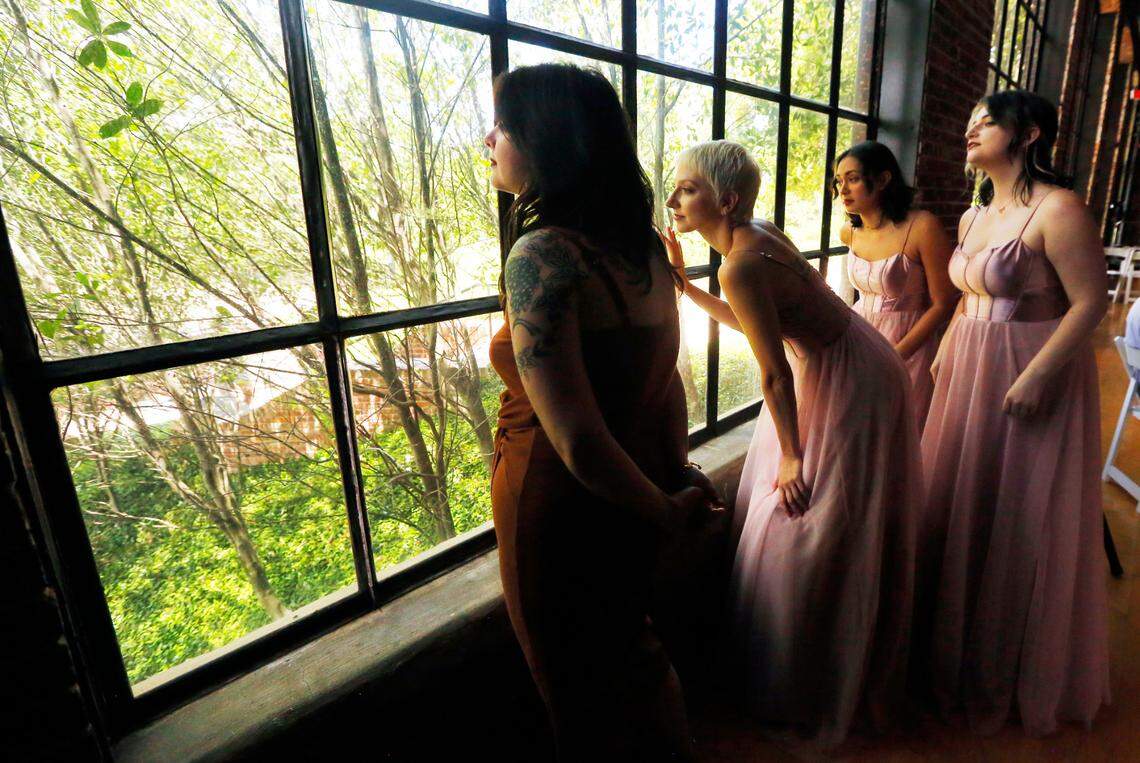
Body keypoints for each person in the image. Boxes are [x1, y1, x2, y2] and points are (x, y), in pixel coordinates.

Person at [484, 63, 719, 760]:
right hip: (633, 487)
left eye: (501, 125)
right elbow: (665, 382)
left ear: (545, 137)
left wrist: (663, 507)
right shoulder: (642, 249)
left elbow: (579, 441)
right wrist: (669, 477)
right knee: (634, 654)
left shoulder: (542, 255)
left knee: (574, 689)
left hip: (557, 506)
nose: (487, 141)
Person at [663, 140, 921, 746]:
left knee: (816, 515)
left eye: (687, 189)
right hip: (854, 356)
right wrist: (688, 289)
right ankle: (823, 656)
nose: (673, 199)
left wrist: (791, 453)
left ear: (725, 200)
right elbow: (761, 318)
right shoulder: (754, 235)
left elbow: (774, 370)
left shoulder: (742, 261)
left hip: (846, 376)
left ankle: (820, 672)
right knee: (819, 517)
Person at [919, 89, 1110, 735]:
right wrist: (946, 346)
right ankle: (951, 653)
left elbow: (1090, 303)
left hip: (1029, 366)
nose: (971, 129)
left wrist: (1037, 375)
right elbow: (962, 294)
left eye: (987, 120)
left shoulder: (1059, 208)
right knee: (962, 497)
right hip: (969, 366)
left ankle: (1009, 662)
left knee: (1018, 511)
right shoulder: (975, 215)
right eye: (969, 118)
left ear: (1028, 134)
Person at [835, 140, 958, 427]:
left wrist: (895, 356)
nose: (842, 190)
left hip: (908, 342)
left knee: (899, 430)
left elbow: (943, 303)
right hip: (859, 337)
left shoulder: (923, 226)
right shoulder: (848, 233)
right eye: (839, 181)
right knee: (855, 428)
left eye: (852, 179)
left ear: (882, 179)